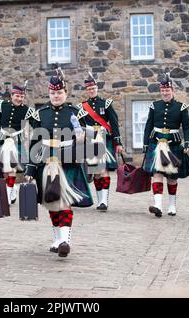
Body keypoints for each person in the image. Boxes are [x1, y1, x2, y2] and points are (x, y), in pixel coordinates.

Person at [24, 64, 93, 258]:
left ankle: (65, 240)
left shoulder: (75, 112)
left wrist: (83, 140)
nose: (56, 96)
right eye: (53, 93)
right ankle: (57, 238)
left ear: (65, 92)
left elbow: (88, 136)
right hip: (45, 162)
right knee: (51, 202)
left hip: (68, 161)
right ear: (49, 93)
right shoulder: (40, 113)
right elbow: (34, 142)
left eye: (60, 92)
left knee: (64, 202)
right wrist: (30, 170)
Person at [143, 74, 189, 218]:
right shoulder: (154, 106)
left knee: (172, 177)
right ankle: (158, 205)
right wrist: (145, 144)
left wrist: (188, 143)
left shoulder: (181, 107)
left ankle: (172, 205)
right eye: (162, 91)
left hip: (173, 144)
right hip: (156, 143)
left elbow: (188, 127)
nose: (165, 93)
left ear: (172, 91)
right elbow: (148, 126)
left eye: (167, 91)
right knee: (157, 173)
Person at [78, 72, 123, 212]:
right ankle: (100, 201)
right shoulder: (82, 107)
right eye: (89, 89)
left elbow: (114, 124)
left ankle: (104, 200)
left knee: (103, 170)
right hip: (91, 140)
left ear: (97, 88)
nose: (91, 91)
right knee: (96, 171)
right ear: (86, 90)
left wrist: (118, 142)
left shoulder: (106, 104)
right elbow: (79, 126)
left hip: (105, 138)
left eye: (93, 88)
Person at [0, 82, 35, 204]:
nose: (19, 99)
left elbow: (35, 125)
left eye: (21, 96)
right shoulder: (3, 105)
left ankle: (8, 192)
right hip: (2, 138)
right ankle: (12, 188)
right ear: (12, 95)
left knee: (11, 167)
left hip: (17, 140)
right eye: (17, 96)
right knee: (4, 169)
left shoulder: (27, 110)